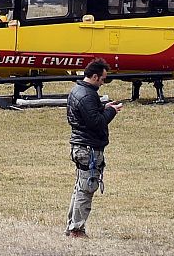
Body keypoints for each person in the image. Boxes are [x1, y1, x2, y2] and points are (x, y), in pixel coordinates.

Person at [65, 58, 123, 239]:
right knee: (87, 188)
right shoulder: (88, 95)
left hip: (80, 145)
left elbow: (88, 114)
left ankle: (72, 226)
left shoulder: (78, 90)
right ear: (96, 77)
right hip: (88, 149)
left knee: (80, 187)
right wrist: (111, 111)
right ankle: (77, 229)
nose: (103, 82)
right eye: (103, 79)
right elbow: (96, 122)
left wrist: (104, 107)